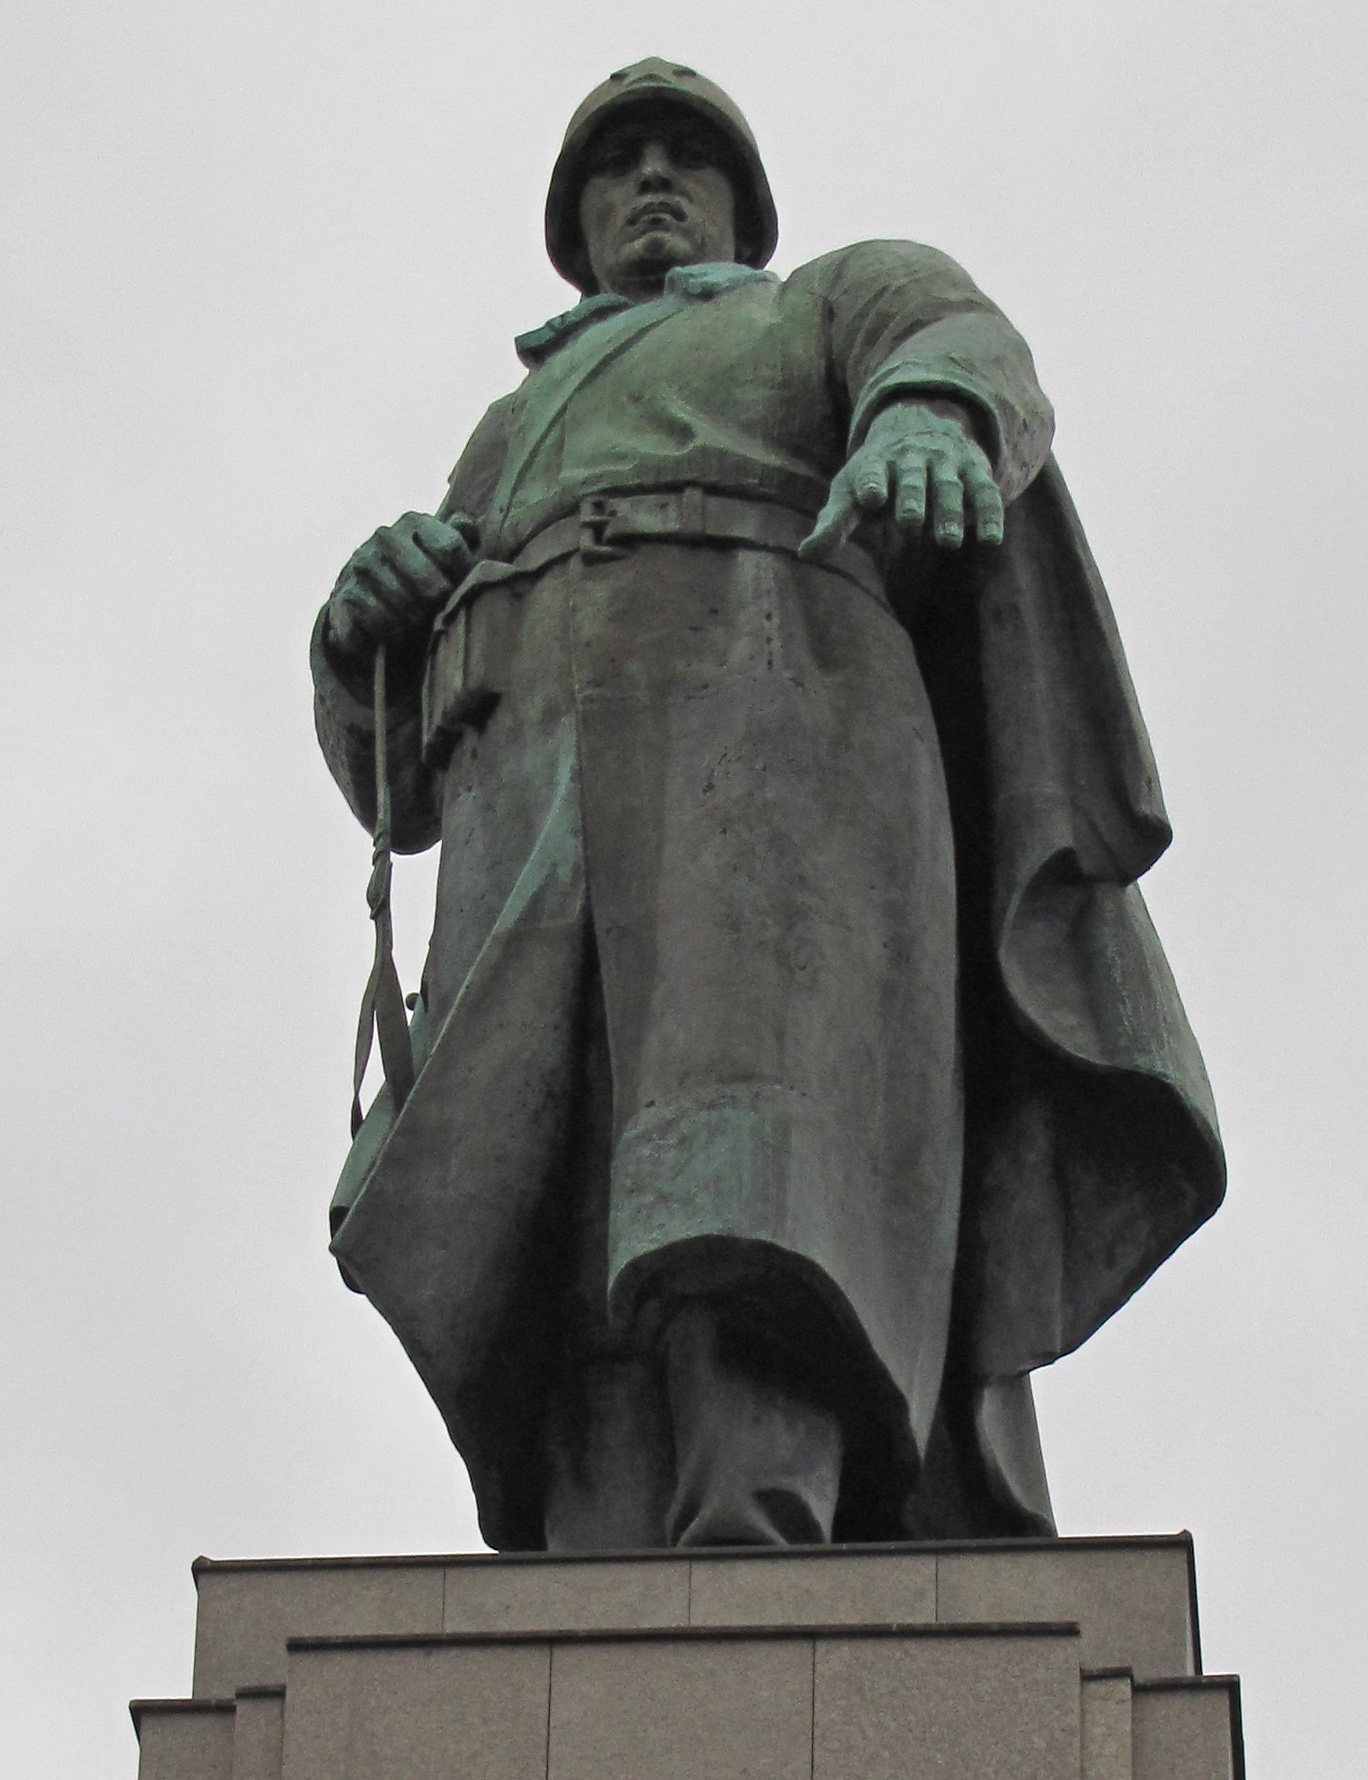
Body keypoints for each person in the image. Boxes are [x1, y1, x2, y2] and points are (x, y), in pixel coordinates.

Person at [312, 58, 1225, 1551]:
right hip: (531, 792)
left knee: (747, 1148)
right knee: (558, 1192)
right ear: (578, 220)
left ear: (742, 200)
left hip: (776, 730)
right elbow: (395, 778)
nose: (652, 182)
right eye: (618, 166)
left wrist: (927, 415)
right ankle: (595, 1545)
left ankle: (760, 1514)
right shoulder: (511, 421)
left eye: (684, 156)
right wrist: (364, 636)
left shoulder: (815, 304)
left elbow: (952, 336)